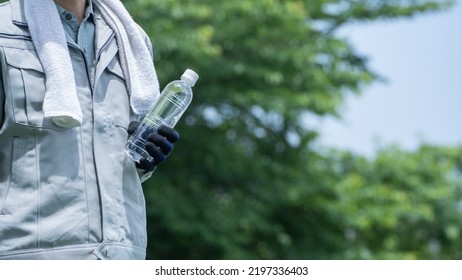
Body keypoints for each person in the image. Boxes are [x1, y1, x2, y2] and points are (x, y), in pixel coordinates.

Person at [0, 0, 179, 259]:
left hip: (121, 255)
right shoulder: (5, 32)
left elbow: (109, 152)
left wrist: (143, 160)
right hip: (29, 255)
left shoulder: (131, 40)